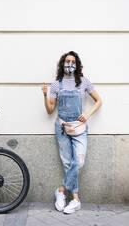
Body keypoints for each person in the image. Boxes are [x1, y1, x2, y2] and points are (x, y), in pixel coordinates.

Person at [41, 51, 102, 214]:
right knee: (68, 163)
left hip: (79, 128)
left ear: (77, 64)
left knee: (79, 162)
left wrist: (87, 114)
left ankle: (61, 190)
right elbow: (49, 111)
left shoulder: (83, 82)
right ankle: (75, 199)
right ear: (62, 64)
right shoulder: (56, 85)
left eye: (73, 61)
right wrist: (45, 95)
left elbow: (99, 101)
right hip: (62, 127)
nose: (70, 64)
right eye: (67, 61)